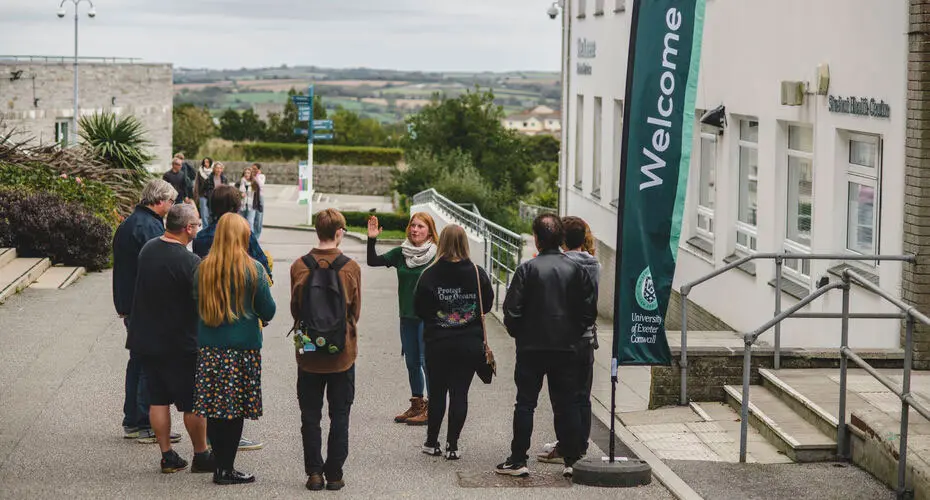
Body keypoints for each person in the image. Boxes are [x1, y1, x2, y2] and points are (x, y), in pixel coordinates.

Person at [495, 214, 597, 479]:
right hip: (566, 347)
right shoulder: (577, 270)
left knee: (526, 403)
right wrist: (572, 335)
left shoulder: (527, 269)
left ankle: (518, 459)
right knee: (567, 404)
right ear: (561, 238)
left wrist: (522, 334)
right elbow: (588, 311)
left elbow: (512, 311)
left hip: (531, 348)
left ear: (537, 239)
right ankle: (572, 460)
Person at [127, 204, 213, 474]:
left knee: (158, 399)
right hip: (181, 342)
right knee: (193, 403)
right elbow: (202, 303)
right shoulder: (190, 262)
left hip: (147, 338)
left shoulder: (148, 249)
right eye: (196, 224)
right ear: (188, 228)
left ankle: (167, 455)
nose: (198, 228)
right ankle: (201, 454)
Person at [194, 213, 276, 485]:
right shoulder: (254, 269)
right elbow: (269, 310)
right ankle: (226, 469)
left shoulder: (203, 268)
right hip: (242, 350)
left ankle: (219, 465)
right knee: (235, 410)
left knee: (216, 409)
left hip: (210, 349)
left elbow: (194, 303)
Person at [290, 208, 362, 491]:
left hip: (308, 352)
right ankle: (334, 474)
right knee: (340, 414)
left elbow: (296, 308)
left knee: (310, 414)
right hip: (342, 353)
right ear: (339, 232)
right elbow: (354, 312)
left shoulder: (299, 265)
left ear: (316, 231)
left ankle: (314, 474)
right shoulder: (350, 266)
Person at [413, 224, 493, 460]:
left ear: (442, 243)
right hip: (468, 344)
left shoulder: (429, 274)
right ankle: (453, 446)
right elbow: (486, 305)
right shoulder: (477, 273)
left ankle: (431, 442)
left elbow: (419, 309)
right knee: (460, 393)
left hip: (438, 343)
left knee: (437, 394)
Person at [112, 179, 181, 443]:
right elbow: (158, 268)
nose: (172, 206)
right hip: (144, 306)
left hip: (130, 302)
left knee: (138, 362)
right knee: (146, 365)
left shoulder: (132, 222)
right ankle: (143, 423)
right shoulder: (148, 227)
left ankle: (134, 420)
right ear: (159, 200)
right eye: (171, 201)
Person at [537, 216, 600, 465]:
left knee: (562, 398)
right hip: (587, 338)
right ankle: (580, 444)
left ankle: (566, 446)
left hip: (562, 339)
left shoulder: (559, 265)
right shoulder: (594, 264)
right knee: (583, 395)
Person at [367, 212, 439, 426]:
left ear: (429, 231)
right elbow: (372, 261)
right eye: (413, 226)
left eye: (420, 227)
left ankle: (434, 408)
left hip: (428, 319)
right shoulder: (402, 253)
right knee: (412, 362)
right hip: (407, 316)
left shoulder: (437, 255)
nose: (415, 230)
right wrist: (372, 239)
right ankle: (417, 404)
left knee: (427, 362)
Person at [194, 185, 271, 278]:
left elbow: (198, 271)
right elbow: (263, 269)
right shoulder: (245, 233)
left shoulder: (201, 237)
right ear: (235, 207)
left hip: (209, 288)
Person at [194, 157, 215, 228]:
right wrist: (196, 194)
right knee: (204, 214)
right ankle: (205, 229)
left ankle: (211, 229)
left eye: (208, 162)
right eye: (205, 162)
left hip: (212, 195)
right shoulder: (200, 171)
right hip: (202, 194)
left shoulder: (214, 172)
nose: (206, 163)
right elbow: (197, 183)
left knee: (211, 213)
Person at [237, 168, 259, 232]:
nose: (246, 174)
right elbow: (234, 193)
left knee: (250, 222)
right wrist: (240, 194)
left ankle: (251, 239)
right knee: (240, 222)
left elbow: (257, 196)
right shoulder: (239, 183)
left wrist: (257, 205)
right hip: (241, 205)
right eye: (245, 173)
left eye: (248, 173)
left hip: (251, 205)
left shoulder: (254, 183)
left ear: (251, 174)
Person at [251, 163, 265, 241]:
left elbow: (260, 184)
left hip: (260, 197)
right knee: (252, 217)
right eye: (252, 168)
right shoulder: (250, 176)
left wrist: (255, 176)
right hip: (252, 197)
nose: (253, 170)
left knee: (259, 217)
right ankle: (252, 235)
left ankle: (257, 235)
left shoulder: (261, 176)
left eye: (255, 169)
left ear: (259, 170)